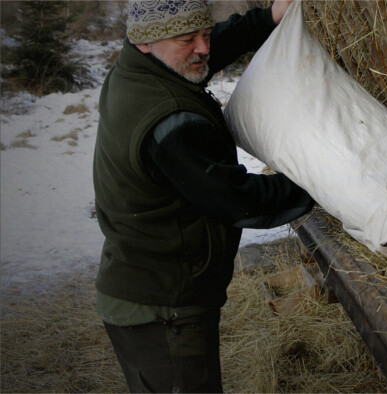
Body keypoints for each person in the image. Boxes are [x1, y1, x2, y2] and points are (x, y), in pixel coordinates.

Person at [92, 0, 311, 392]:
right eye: (187, 39)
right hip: (163, 309)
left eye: (205, 34)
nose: (204, 49)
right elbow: (235, 199)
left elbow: (204, 47)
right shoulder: (168, 121)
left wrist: (268, 17)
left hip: (149, 291)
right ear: (146, 42)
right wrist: (318, 184)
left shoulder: (140, 65)